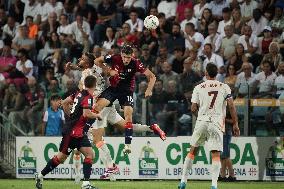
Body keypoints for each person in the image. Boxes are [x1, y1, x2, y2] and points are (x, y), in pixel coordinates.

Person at [65, 51, 166, 180]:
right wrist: (77, 67)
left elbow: (86, 85)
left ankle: (110, 166)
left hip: (100, 106)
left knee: (97, 139)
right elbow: (92, 66)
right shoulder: (91, 68)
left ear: (87, 63)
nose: (80, 59)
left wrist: (109, 72)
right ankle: (151, 128)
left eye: (83, 59)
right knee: (126, 127)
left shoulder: (89, 75)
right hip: (108, 104)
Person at [178, 63, 240, 189]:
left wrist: (200, 116)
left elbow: (193, 108)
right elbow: (231, 106)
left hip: (202, 120)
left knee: (192, 151)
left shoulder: (199, 87)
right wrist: (235, 123)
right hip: (216, 122)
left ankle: (183, 182)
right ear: (216, 73)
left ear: (206, 73)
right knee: (215, 154)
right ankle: (214, 185)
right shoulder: (224, 87)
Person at [35, 75, 101, 189]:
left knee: (90, 154)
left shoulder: (77, 94)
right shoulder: (88, 97)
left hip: (79, 132)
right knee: (61, 158)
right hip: (72, 133)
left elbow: (64, 102)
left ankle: (86, 183)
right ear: (95, 85)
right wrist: (97, 115)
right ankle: (40, 175)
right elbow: (86, 114)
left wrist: (70, 115)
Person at [93, 45, 156, 153]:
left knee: (128, 115)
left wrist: (149, 89)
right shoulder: (114, 58)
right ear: (121, 55)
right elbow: (96, 60)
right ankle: (88, 130)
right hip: (113, 89)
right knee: (97, 106)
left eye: (129, 57)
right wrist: (108, 70)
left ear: (132, 56)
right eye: (124, 57)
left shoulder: (136, 63)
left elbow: (152, 76)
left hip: (127, 91)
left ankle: (127, 146)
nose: (126, 60)